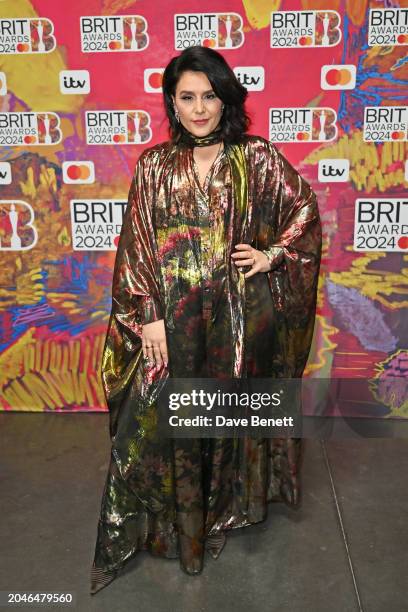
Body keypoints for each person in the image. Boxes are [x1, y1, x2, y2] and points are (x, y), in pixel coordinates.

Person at [90, 45, 322, 595]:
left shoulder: (257, 159)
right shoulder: (153, 166)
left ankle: (219, 512)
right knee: (154, 420)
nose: (199, 108)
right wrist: (148, 318)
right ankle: (176, 521)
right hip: (171, 321)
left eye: (209, 96)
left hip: (238, 320)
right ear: (172, 101)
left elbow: (305, 211)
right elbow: (136, 249)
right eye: (187, 96)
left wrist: (273, 255)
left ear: (226, 100)